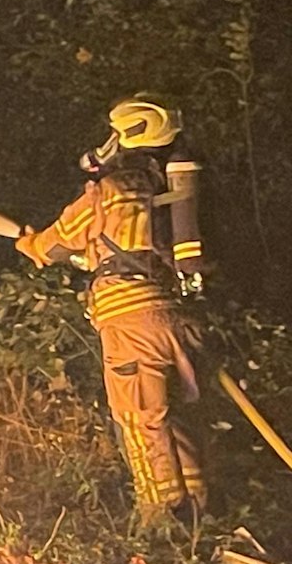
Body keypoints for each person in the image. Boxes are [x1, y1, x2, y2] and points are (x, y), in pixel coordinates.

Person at [15, 95, 208, 528]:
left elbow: (55, 242)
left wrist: (30, 244)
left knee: (139, 421)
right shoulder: (168, 187)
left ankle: (160, 522)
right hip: (174, 317)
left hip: (129, 322)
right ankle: (198, 515)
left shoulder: (109, 192)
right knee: (174, 419)